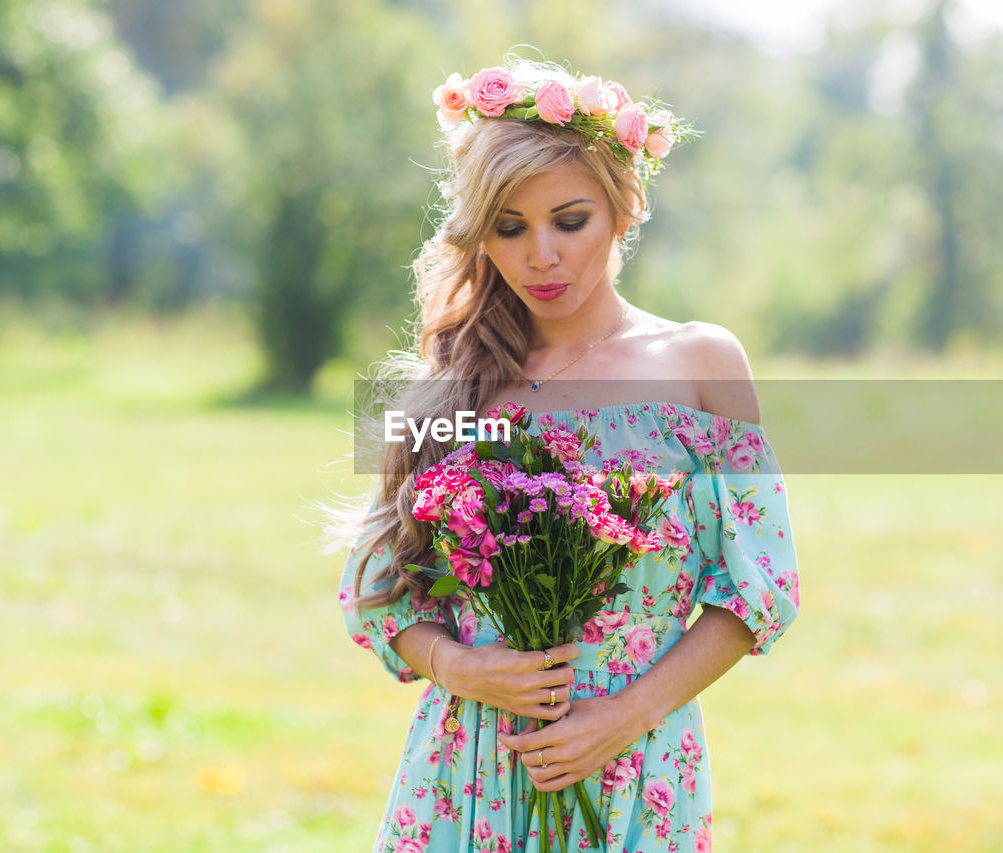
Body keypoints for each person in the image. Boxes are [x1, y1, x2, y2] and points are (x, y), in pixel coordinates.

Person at [339, 58, 800, 852]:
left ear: (624, 210)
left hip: (637, 762)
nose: (540, 256)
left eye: (570, 219)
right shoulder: (458, 381)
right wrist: (458, 666)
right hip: (472, 769)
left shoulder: (703, 364)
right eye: (510, 228)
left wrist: (627, 714)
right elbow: (380, 588)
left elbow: (759, 588)